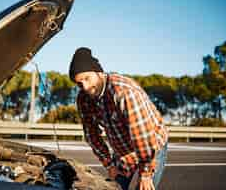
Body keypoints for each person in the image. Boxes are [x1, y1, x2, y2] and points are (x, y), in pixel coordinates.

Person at [69, 47, 169, 190]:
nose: (85, 87)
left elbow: (142, 137)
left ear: (99, 72)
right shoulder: (84, 99)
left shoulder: (124, 92)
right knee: (114, 187)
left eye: (87, 78)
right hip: (122, 151)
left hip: (150, 144)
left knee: (144, 187)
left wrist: (145, 173)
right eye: (79, 83)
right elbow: (92, 135)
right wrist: (109, 164)